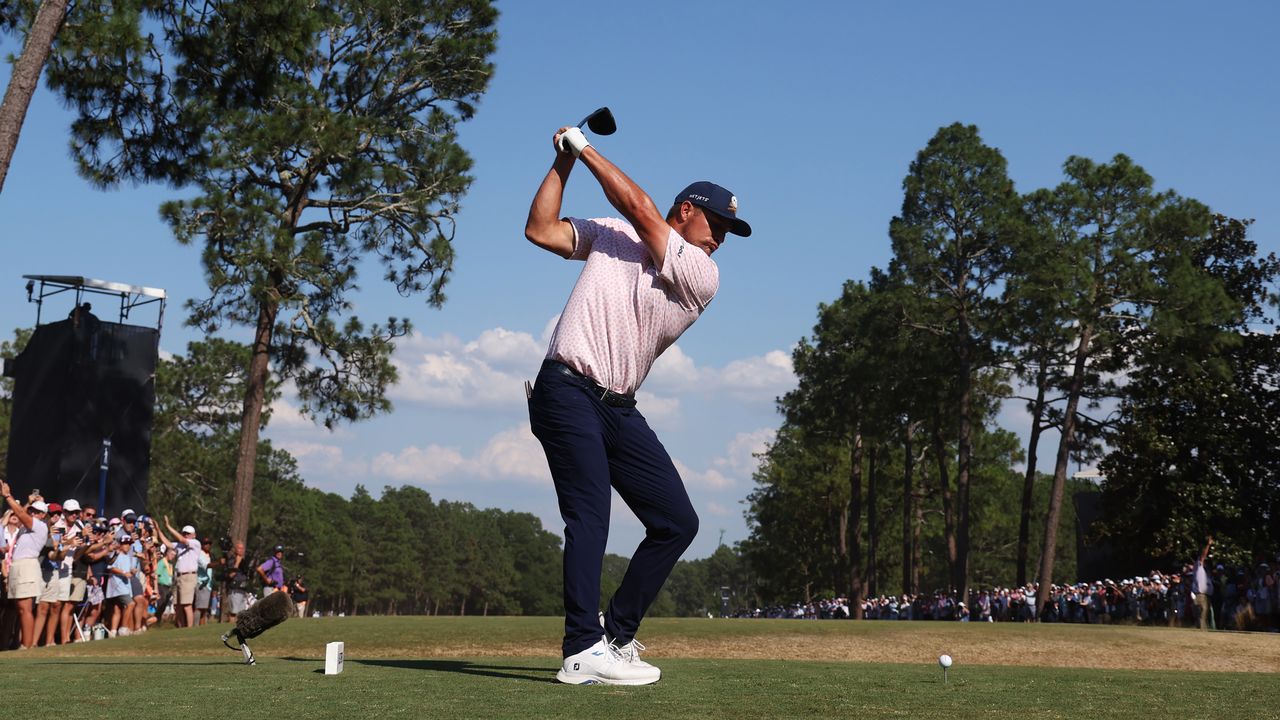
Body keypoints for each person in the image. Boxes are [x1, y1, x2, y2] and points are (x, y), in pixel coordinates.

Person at [523, 122, 752, 685]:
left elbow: (640, 207)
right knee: (591, 516)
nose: (719, 238)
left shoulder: (702, 274)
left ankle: (616, 636)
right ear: (686, 212)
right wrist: (564, 162)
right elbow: (540, 230)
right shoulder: (612, 234)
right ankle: (581, 648)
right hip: (567, 388)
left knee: (677, 522)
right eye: (715, 223)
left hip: (619, 408)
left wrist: (583, 145)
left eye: (727, 231)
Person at [1, 480, 49, 649]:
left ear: (43, 515)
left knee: (25, 608)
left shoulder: (40, 526)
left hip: (27, 566)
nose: (34, 513)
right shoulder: (26, 526)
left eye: (38, 512)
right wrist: (29, 502)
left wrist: (8, 495)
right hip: (18, 566)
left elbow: (21, 515)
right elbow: (19, 515)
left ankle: (27, 646)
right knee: (20, 609)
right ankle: (24, 644)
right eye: (33, 511)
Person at [157, 517, 201, 627]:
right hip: (179, 577)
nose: (186, 535)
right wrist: (158, 529)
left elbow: (181, 540)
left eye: (188, 533)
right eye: (184, 533)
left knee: (187, 605)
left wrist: (168, 526)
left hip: (189, 576)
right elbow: (167, 543)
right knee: (178, 605)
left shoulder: (195, 543)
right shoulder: (180, 545)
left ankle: (189, 628)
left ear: (194, 535)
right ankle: (181, 628)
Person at [222, 541, 253, 621]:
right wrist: (237, 563)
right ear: (235, 550)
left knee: (242, 612)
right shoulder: (232, 560)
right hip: (234, 590)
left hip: (242, 590)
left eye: (242, 548)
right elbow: (230, 575)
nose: (241, 550)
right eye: (239, 548)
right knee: (234, 612)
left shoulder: (244, 561)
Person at [1193, 535, 1213, 630]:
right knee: (1201, 613)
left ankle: (1201, 630)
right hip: (1200, 595)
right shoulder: (1198, 565)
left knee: (1203, 615)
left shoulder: (1204, 571)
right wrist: (1208, 545)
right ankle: (1201, 631)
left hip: (1205, 595)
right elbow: (1203, 556)